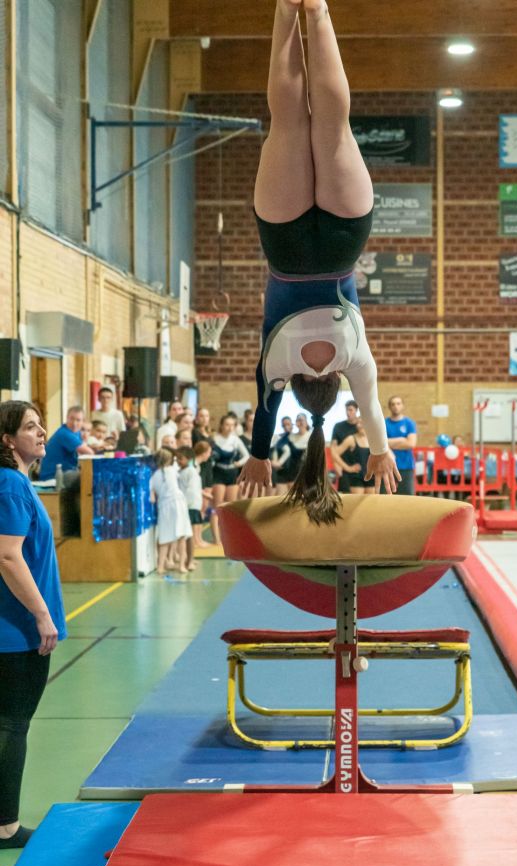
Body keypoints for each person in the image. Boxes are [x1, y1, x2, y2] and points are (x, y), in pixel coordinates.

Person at [236, 0, 399, 523]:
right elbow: (264, 412)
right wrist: (258, 456)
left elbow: (371, 407)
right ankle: (288, 9)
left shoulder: (355, 362)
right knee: (287, 123)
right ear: (299, 387)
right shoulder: (277, 367)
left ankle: (318, 10)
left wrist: (380, 450)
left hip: (343, 246)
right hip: (284, 247)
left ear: (333, 383)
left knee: (333, 125)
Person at [0, 401, 66, 849]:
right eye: (30, 426)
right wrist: (42, 615)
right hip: (16, 631)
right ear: (7, 439)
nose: (42, 432)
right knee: (12, 725)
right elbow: (8, 556)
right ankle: (5, 826)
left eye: (41, 424)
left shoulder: (18, 481)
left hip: (16, 627)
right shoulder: (9, 484)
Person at [149, 448, 193, 575]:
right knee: (182, 535)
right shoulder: (173, 470)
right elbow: (186, 465)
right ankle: (181, 566)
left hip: (163, 506)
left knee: (164, 536)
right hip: (177, 504)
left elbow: (152, 497)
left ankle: (160, 566)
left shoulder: (154, 476)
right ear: (169, 460)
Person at [211, 414, 250, 544]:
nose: (229, 428)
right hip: (218, 473)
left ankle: (230, 537)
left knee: (230, 507)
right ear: (222, 425)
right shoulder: (215, 438)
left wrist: (238, 464)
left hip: (231, 473)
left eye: (232, 425)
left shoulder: (235, 439)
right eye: (227, 425)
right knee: (218, 507)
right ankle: (217, 539)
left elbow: (246, 456)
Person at [38, 406, 94, 482]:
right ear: (67, 418)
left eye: (78, 420)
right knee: (89, 476)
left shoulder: (75, 432)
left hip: (65, 473)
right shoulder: (64, 433)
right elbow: (89, 452)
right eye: (72, 419)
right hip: (52, 477)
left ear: (82, 422)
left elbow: (84, 445)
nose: (74, 423)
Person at [175, 446, 203, 570]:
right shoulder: (181, 471)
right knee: (186, 534)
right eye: (177, 459)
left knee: (189, 534)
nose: (178, 461)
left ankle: (190, 561)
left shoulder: (191, 471)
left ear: (189, 459)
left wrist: (184, 505)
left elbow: (191, 491)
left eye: (180, 459)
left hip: (190, 506)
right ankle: (187, 558)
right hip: (185, 505)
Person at [385, 395, 417, 495]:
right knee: (386, 496)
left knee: (407, 497)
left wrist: (388, 443)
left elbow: (411, 443)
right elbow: (381, 443)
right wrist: (402, 440)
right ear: (389, 407)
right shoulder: (384, 423)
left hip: (406, 466)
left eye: (398, 404)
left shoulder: (409, 423)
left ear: (402, 406)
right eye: (393, 404)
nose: (396, 406)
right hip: (387, 466)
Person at [335, 417, 373, 495]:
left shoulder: (373, 439)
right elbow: (335, 453)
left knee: (371, 501)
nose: (359, 425)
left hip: (371, 476)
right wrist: (348, 468)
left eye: (362, 423)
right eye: (358, 423)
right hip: (356, 477)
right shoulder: (351, 439)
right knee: (357, 502)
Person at [330, 399, 359, 493]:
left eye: (350, 410)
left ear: (356, 410)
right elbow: (333, 447)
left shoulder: (361, 427)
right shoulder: (338, 426)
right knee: (346, 495)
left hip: (359, 465)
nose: (348, 412)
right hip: (343, 465)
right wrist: (336, 464)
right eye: (346, 410)